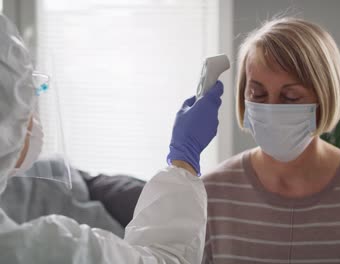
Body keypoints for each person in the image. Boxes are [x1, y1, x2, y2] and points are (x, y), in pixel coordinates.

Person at [0, 13, 224, 263]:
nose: (32, 118)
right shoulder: (45, 250)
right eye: (29, 100)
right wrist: (185, 157)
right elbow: (167, 259)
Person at [202, 17, 340, 263]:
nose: (271, 109)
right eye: (257, 94)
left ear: (323, 97)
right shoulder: (212, 193)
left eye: (290, 97)